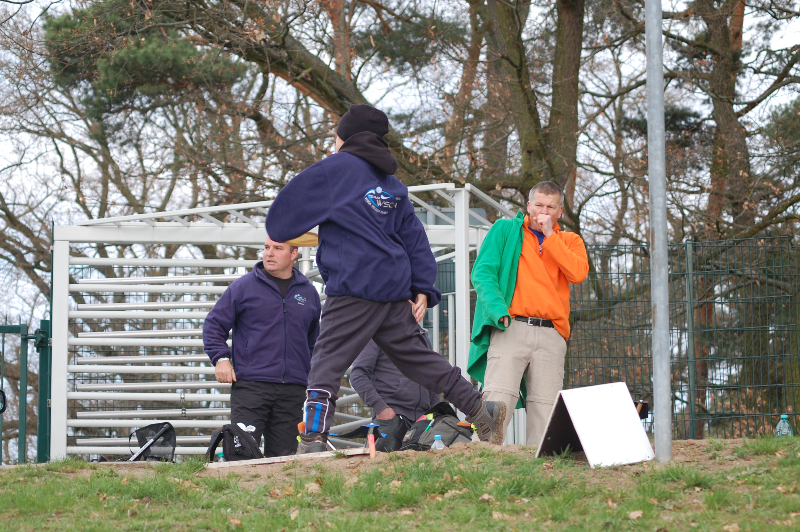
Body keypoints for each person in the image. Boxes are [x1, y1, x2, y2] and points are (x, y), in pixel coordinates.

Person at [265, 104, 506, 453]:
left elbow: (280, 219)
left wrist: (311, 223)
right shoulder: (392, 185)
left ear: (345, 137)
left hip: (354, 285)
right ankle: (481, 410)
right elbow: (414, 238)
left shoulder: (335, 168)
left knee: (326, 361)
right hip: (393, 288)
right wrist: (422, 287)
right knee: (417, 358)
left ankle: (314, 437)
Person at [467, 182, 589, 447]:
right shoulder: (505, 230)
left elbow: (578, 273)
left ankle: (542, 468)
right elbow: (483, 272)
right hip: (512, 326)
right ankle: (483, 460)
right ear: (528, 206)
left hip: (552, 334)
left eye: (550, 207)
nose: (543, 212)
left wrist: (550, 236)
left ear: (559, 211)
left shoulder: (570, 241)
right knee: (497, 401)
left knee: (546, 408)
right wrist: (498, 310)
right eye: (538, 205)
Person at [203, 236, 321, 457]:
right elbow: (213, 325)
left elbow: (314, 342)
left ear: (293, 254)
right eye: (266, 247)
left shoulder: (308, 293)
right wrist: (221, 358)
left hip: (293, 390)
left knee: (284, 460)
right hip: (251, 387)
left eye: (278, 248)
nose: (269, 253)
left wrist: (312, 375)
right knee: (241, 455)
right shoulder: (243, 287)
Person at [350, 334, 442, 452]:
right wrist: (381, 408)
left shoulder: (422, 336)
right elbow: (358, 376)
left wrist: (433, 413)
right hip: (391, 420)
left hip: (422, 423)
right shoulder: (376, 335)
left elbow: (432, 379)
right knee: (382, 464)